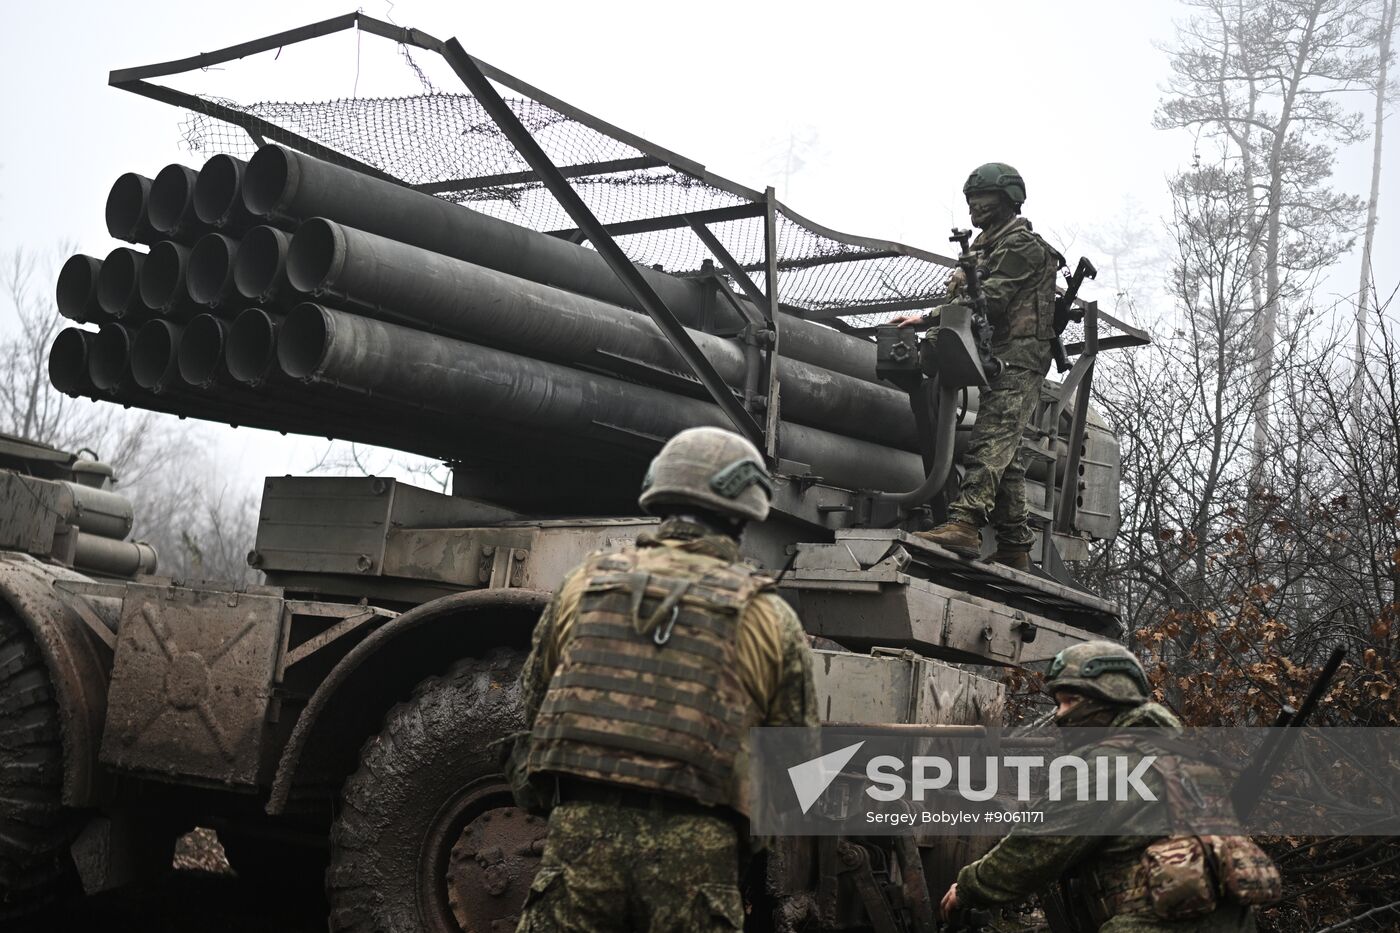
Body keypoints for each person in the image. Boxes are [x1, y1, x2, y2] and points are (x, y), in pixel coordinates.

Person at [507, 426, 819, 933]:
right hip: (699, 854)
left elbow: (534, 704)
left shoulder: (583, 585)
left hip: (580, 839)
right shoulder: (768, 616)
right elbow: (794, 765)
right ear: (744, 516)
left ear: (662, 498)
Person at [938, 641, 1275, 932]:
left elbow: (1036, 849)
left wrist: (968, 889)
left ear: (1108, 698)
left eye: (1070, 700)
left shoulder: (1109, 763)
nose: (1059, 715)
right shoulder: (1185, 755)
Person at [892, 162, 1063, 571]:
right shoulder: (983, 248)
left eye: (984, 200)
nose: (975, 208)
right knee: (1008, 454)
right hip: (992, 354)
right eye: (971, 200)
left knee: (990, 443)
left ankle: (965, 525)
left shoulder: (1023, 247)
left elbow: (993, 297)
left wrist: (928, 318)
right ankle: (1015, 546)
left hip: (1018, 359)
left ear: (1008, 201)